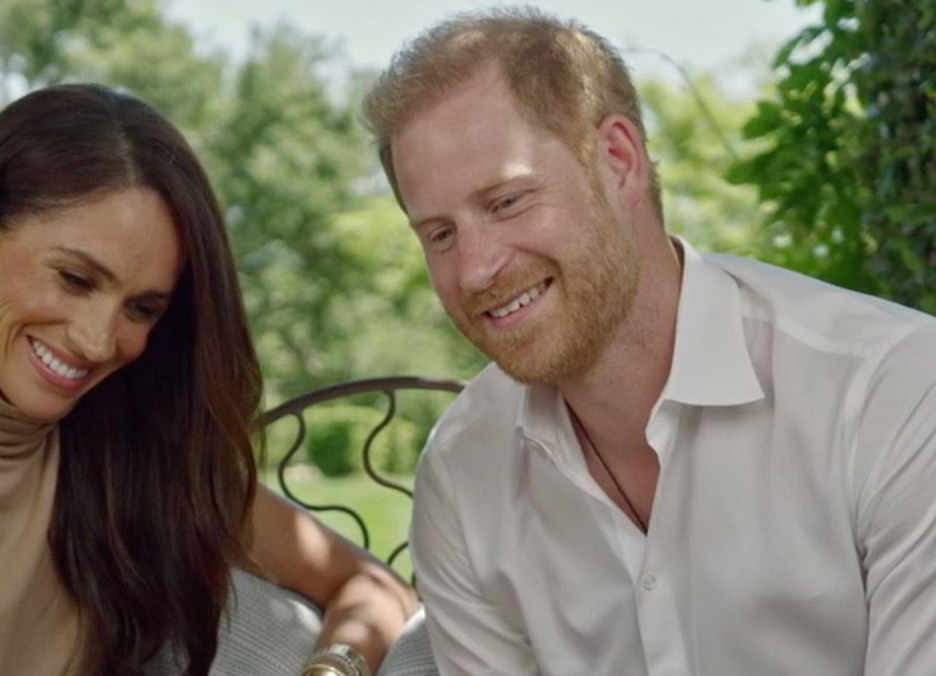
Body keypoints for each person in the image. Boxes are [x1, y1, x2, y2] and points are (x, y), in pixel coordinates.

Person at [0, 83, 416, 676]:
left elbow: (371, 587)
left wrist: (332, 669)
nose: (97, 341)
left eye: (141, 309)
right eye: (74, 278)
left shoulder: (131, 454)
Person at [362, 7, 936, 675]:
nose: (474, 270)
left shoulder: (894, 392)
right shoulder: (462, 473)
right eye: (439, 234)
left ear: (619, 162)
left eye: (506, 202)